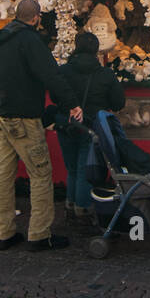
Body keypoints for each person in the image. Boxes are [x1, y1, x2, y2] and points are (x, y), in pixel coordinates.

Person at [0, 0, 81, 252]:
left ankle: (5, 232)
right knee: (41, 174)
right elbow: (51, 75)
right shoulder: (32, 41)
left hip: (1, 116)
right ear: (36, 18)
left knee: (4, 174)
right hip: (25, 118)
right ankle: (39, 234)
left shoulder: (1, 36)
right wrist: (71, 104)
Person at [58, 31, 126, 223]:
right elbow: (119, 101)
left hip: (66, 125)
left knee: (72, 168)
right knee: (83, 168)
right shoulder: (104, 74)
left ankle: (70, 204)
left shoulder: (63, 71)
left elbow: (56, 96)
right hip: (91, 126)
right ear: (96, 50)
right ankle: (83, 208)